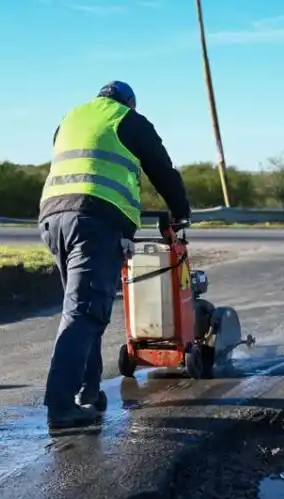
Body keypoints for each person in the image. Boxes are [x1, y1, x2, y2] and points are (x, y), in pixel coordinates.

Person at [38, 80, 191, 430]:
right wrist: (180, 211)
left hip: (52, 220)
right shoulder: (128, 120)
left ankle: (88, 393)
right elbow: (162, 170)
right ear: (128, 103)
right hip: (94, 221)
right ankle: (61, 406)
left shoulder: (70, 118)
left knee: (81, 306)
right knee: (84, 313)